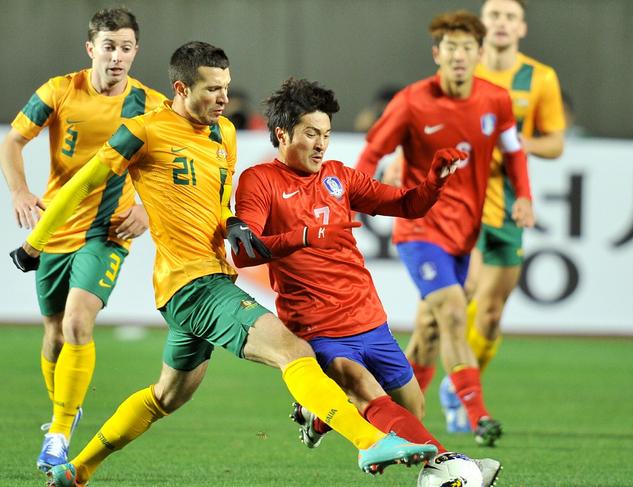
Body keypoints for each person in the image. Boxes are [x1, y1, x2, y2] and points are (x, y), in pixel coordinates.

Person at [9, 41, 439, 487]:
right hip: (193, 283)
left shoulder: (224, 135)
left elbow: (217, 205)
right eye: (213, 89)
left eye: (226, 88)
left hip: (207, 278)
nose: (223, 99)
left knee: (165, 397)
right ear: (181, 87)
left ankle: (77, 470)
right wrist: (35, 244)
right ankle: (370, 442)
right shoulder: (143, 131)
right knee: (294, 350)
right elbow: (84, 184)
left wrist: (233, 222)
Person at [231, 77, 501, 486]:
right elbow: (244, 251)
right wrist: (303, 237)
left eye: (326, 134)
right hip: (318, 328)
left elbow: (407, 205)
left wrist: (435, 182)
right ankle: (449, 468)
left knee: (411, 409)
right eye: (310, 134)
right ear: (282, 134)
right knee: (364, 390)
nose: (321, 144)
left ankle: (319, 416)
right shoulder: (260, 181)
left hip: (368, 319)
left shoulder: (339, 176)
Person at [355, 10, 535, 447]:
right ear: (437, 53)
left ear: (479, 53)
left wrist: (524, 195)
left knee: (430, 333)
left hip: (464, 233)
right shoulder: (413, 101)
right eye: (450, 48)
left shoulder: (496, 100)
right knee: (454, 314)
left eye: (467, 48)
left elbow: (514, 153)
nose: (458, 56)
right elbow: (372, 151)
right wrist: (351, 199)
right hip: (420, 229)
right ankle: (477, 416)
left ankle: (340, 412)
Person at [0, 7, 166, 471]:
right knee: (53, 331)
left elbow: (172, 166)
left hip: (107, 232)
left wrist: (147, 207)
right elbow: (12, 141)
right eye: (109, 46)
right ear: (91, 48)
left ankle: (57, 433)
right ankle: (64, 413)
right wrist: (19, 190)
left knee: (76, 322)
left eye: (126, 48)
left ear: (135, 52)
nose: (117, 57)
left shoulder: (151, 105)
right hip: (54, 228)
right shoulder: (59, 90)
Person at [433, 0, 566, 433]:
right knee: (463, 291)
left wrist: (514, 145)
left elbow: (556, 143)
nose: (502, 23)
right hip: (461, 200)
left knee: (490, 314)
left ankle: (461, 387)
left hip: (508, 204)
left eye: (510, 16)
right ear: (482, 25)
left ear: (522, 27)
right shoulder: (462, 69)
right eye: (495, 15)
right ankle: (455, 387)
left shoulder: (540, 78)